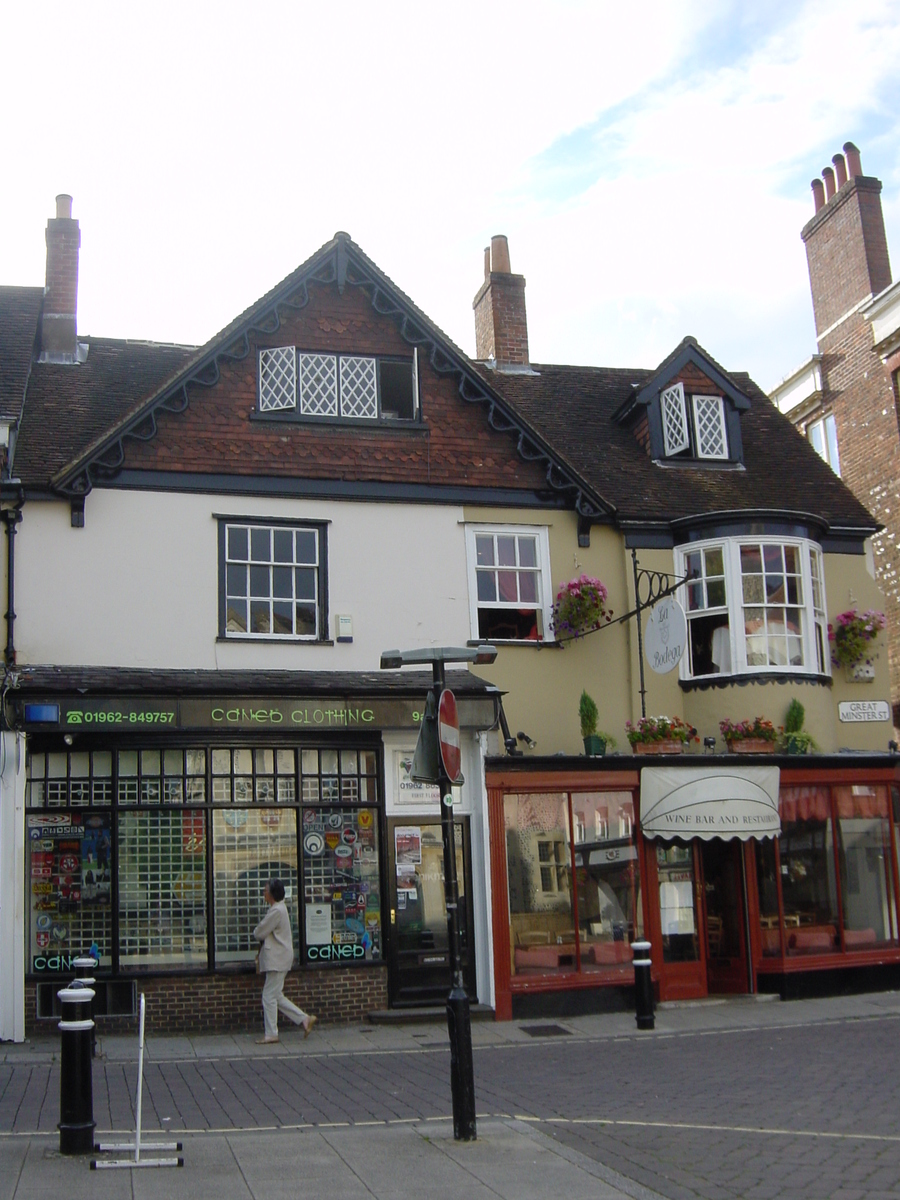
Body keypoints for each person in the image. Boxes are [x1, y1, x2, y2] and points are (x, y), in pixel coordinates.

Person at [252, 878, 317, 1044]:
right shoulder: (279, 909)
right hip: (280, 958)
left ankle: (271, 1033)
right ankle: (304, 1019)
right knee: (276, 996)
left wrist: (257, 931)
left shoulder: (276, 911)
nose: (264, 892)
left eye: (266, 889)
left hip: (277, 958)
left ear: (272, 894)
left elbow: (259, 932)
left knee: (268, 996)